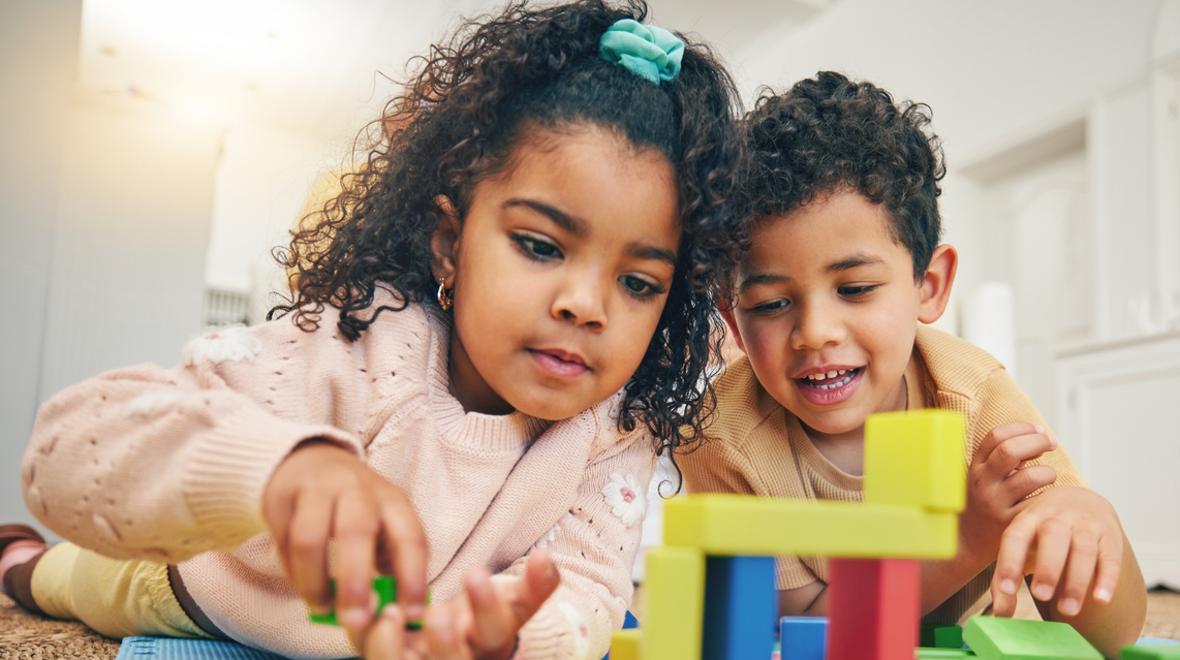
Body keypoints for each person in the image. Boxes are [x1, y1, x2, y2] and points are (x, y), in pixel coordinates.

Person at [0, 2, 744, 657]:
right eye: (541, 246)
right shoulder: (358, 343)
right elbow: (68, 449)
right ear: (450, 243)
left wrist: (515, 634)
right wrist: (276, 471)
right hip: (209, 592)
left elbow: (587, 587)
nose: (587, 305)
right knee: (64, 579)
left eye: (639, 282)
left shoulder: (617, 428)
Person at [679, 71, 1145, 656]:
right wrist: (965, 541)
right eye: (771, 304)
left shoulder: (975, 397)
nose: (815, 333)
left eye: (854, 288)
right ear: (733, 320)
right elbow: (803, 633)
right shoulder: (720, 435)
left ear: (929, 284)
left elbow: (1109, 636)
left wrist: (1088, 521)